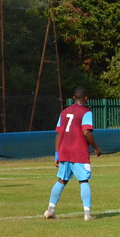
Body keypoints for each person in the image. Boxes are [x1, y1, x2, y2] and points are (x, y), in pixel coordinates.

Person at [44, 87, 102, 220]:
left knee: (61, 180)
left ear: (73, 98)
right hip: (78, 151)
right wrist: (96, 148)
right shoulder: (86, 112)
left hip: (64, 150)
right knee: (83, 180)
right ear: (86, 98)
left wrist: (57, 154)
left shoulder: (64, 112)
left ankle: (50, 210)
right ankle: (87, 214)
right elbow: (86, 132)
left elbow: (58, 133)